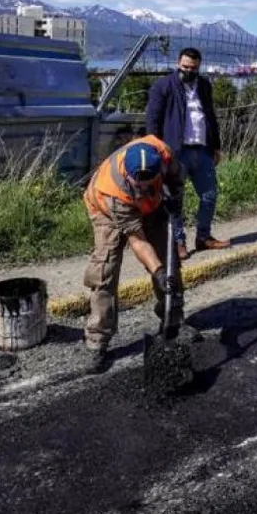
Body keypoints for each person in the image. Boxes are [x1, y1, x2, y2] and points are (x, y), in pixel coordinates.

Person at [81, 135, 182, 373]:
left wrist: (175, 201)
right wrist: (157, 271)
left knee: (169, 260)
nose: (144, 188)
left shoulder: (164, 155)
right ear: (128, 175)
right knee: (105, 269)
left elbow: (176, 183)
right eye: (140, 185)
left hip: (153, 208)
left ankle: (174, 322)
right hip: (108, 211)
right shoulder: (112, 190)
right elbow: (138, 241)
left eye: (151, 182)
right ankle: (97, 341)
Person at [145, 46, 229, 255]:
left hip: (202, 150)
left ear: (198, 67)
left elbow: (210, 117)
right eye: (185, 67)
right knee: (174, 200)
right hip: (175, 151)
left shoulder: (204, 86)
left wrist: (216, 146)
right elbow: (153, 119)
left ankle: (203, 237)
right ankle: (178, 242)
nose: (188, 71)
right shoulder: (163, 86)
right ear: (177, 63)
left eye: (193, 68)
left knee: (209, 195)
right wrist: (155, 146)